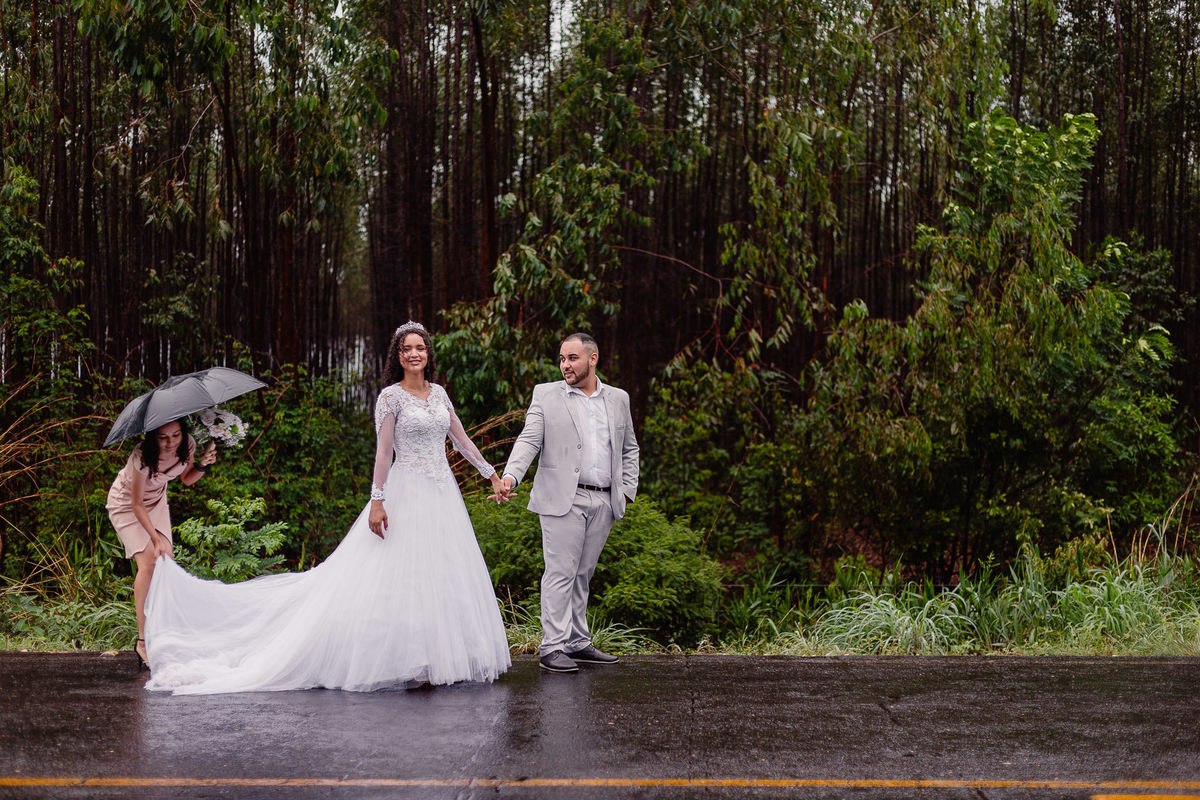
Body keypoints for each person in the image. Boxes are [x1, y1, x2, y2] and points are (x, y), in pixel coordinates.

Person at [142, 321, 511, 693]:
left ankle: (440, 656)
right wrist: (378, 500)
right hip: (406, 490)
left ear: (428, 353)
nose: (414, 354)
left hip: (442, 494)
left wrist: (492, 475)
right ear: (397, 356)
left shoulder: (440, 394)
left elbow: (461, 440)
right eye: (406, 349)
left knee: (442, 573)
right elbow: (383, 453)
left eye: (420, 348)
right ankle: (410, 658)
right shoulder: (390, 397)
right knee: (401, 575)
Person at [496, 332, 640, 673]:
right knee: (560, 572)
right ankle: (552, 646)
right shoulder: (546, 395)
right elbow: (529, 439)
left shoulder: (618, 399)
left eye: (572, 358)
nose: (565, 365)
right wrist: (510, 476)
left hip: (604, 499)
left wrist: (627, 491)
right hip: (563, 498)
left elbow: (629, 448)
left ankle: (577, 642)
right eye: (562, 358)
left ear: (593, 359)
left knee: (582, 574)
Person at [106, 419, 218, 668]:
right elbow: (135, 503)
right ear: (152, 437)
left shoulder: (187, 445)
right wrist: (154, 538)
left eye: (176, 435)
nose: (171, 443)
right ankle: (143, 641)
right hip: (127, 504)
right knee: (148, 562)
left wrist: (202, 464)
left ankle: (166, 634)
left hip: (156, 501)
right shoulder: (141, 457)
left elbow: (187, 480)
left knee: (165, 561)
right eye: (163, 437)